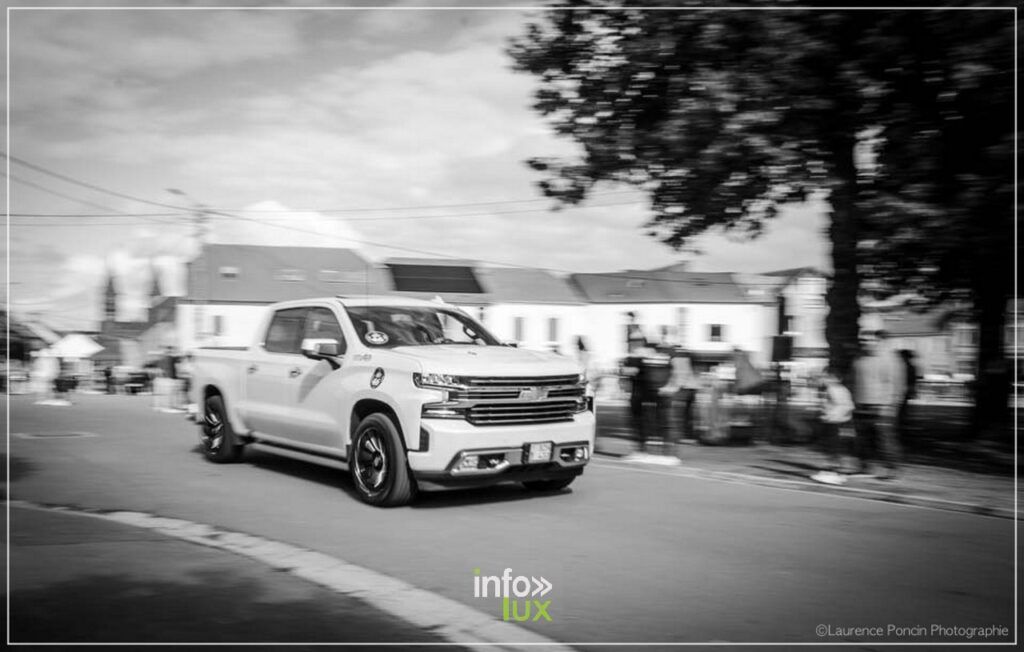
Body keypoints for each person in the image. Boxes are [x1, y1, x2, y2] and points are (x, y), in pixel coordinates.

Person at [852, 329, 904, 480]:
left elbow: (897, 384)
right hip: (861, 405)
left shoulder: (890, 359)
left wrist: (891, 405)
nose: (864, 343)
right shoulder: (858, 359)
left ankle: (893, 469)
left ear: (877, 341)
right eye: (862, 340)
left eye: (868, 340)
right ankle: (865, 468)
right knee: (862, 440)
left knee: (885, 440)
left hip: (882, 407)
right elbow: (853, 381)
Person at [810, 368, 855, 485]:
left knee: (832, 447)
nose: (824, 379)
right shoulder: (840, 389)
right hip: (835, 421)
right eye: (824, 377)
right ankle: (835, 472)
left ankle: (834, 473)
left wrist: (832, 415)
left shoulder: (833, 389)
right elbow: (849, 406)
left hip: (833, 422)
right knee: (833, 447)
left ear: (836, 379)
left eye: (827, 377)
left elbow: (845, 406)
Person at [659, 346, 699, 443]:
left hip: (683, 389)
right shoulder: (687, 358)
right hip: (692, 388)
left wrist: (668, 389)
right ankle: (689, 436)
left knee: (678, 414)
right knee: (688, 414)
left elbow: (677, 376)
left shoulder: (676, 359)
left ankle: (681, 436)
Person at [897, 349, 917, 445]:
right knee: (904, 411)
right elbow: (913, 382)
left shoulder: (904, 367)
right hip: (905, 392)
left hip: (903, 392)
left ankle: (902, 429)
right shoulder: (911, 367)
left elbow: (911, 381)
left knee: (902, 411)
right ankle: (903, 429)